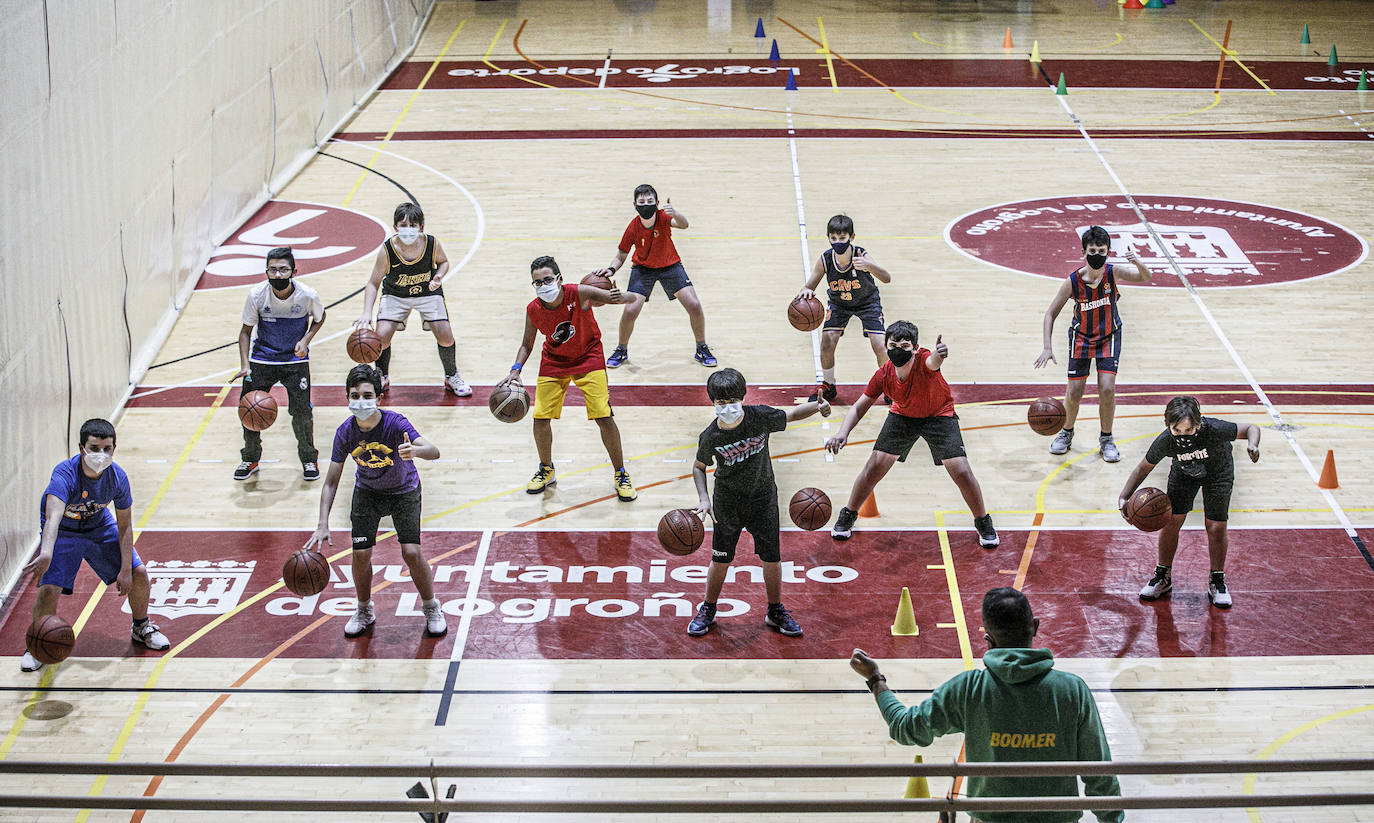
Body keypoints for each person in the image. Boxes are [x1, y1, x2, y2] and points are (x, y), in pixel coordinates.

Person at [850, 588, 1124, 823]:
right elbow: (1100, 775)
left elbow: (905, 728)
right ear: (1036, 626)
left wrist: (876, 680)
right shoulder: (1072, 691)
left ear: (988, 640)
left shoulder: (969, 689)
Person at [825, 320, 998, 549]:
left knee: (961, 470)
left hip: (939, 415)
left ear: (916, 348)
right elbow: (859, 406)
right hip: (903, 415)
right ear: (885, 347)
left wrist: (940, 354)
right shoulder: (883, 374)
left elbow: (933, 362)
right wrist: (842, 433)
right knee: (875, 465)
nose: (898, 350)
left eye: (905, 346)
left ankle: (983, 521)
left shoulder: (924, 359)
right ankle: (848, 514)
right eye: (893, 345)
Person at [304, 364, 447, 638]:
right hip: (368, 492)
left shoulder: (395, 423)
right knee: (360, 555)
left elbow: (434, 451)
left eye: (367, 395)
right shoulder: (345, 432)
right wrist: (322, 523)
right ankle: (363, 609)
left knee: (412, 553)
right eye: (355, 395)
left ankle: (431, 607)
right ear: (347, 397)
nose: (360, 401)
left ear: (379, 398)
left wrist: (415, 452)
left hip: (403, 491)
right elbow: (331, 480)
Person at [688, 367, 830, 638]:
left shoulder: (759, 417)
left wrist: (817, 406)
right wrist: (704, 498)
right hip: (727, 503)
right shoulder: (710, 436)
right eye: (721, 403)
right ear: (713, 403)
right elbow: (698, 466)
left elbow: (791, 414)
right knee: (720, 560)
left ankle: (775, 610)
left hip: (763, 498)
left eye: (732, 401)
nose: (727, 407)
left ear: (742, 397)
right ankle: (708, 608)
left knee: (772, 558)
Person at [20, 419, 170, 672]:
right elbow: (53, 517)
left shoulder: (118, 478)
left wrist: (124, 569)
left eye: (107, 448)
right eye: (94, 448)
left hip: (99, 526)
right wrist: (46, 552)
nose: (101, 454)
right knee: (49, 588)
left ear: (114, 448)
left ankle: (141, 626)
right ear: (81, 448)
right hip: (64, 532)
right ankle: (37, 643)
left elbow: (125, 526)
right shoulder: (64, 474)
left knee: (139, 573)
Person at [500, 255, 637, 501]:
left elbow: (630, 298)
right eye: (538, 283)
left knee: (603, 416)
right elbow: (526, 344)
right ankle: (546, 469)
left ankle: (621, 473)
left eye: (548, 279)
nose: (544, 285)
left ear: (560, 279)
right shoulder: (533, 309)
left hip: (589, 356)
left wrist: (618, 295)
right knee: (540, 418)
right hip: (554, 361)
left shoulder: (579, 293)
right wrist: (515, 369)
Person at [1118, 396, 1260, 608]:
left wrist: (1253, 444)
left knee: (1216, 525)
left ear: (1199, 423)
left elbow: (1251, 427)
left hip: (1218, 474)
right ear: (1168, 425)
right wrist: (1124, 496)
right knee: (1171, 521)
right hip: (1183, 474)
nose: (1183, 435)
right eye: (1177, 431)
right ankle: (1162, 575)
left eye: (1189, 430)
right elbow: (1143, 468)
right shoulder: (1165, 441)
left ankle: (1217, 579)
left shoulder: (1214, 429)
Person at [1034, 226, 1151, 463]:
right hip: (1082, 338)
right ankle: (1066, 433)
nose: (1096, 254)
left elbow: (1145, 277)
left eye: (1101, 250)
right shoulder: (1073, 281)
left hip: (1109, 335)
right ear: (1083, 252)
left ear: (1108, 252)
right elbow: (1050, 314)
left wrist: (1137, 262)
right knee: (1074, 392)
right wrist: (1047, 347)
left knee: (1107, 388)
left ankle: (1106, 439)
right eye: (1092, 250)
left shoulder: (1113, 273)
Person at [589, 184, 717, 369]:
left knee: (694, 305)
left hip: (671, 266)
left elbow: (684, 224)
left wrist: (675, 213)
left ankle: (701, 348)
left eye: (650, 201)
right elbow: (621, 254)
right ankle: (621, 350)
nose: (646, 204)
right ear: (634, 204)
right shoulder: (633, 227)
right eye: (642, 202)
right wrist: (611, 270)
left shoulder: (664, 217)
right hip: (643, 270)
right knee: (631, 311)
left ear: (657, 203)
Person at [354, 202, 471, 397]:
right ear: (395, 228)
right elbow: (373, 283)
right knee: (381, 336)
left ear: (421, 227)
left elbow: (444, 262)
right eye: (403, 225)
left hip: (427, 292)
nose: (408, 229)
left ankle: (452, 376)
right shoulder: (387, 249)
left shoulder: (432, 243)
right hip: (396, 294)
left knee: (445, 335)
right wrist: (366, 313)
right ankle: (382, 375)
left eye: (412, 225)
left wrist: (439, 276)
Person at [232, 247, 326, 482]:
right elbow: (245, 332)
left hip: (295, 360)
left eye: (283, 269)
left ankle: (308, 458)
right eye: (272, 270)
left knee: (302, 412)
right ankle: (251, 458)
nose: (277, 274)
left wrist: (305, 340)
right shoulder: (257, 295)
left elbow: (320, 318)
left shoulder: (307, 295)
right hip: (262, 358)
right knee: (249, 409)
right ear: (266, 271)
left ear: (293, 271)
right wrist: (245, 365)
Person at [795, 214, 891, 402]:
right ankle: (829, 385)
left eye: (842, 238)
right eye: (834, 238)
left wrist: (869, 266)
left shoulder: (861, 255)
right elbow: (809, 286)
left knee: (880, 345)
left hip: (867, 302)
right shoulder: (825, 259)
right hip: (839, 304)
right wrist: (805, 292)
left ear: (851, 237)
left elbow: (887, 278)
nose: (837, 242)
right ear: (828, 237)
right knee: (827, 342)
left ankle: (890, 387)